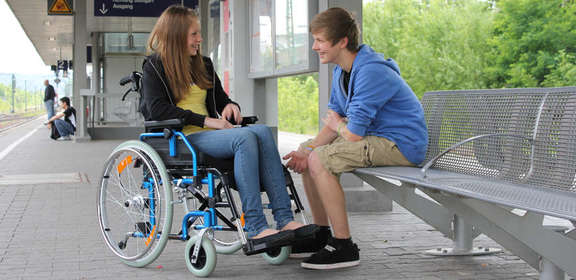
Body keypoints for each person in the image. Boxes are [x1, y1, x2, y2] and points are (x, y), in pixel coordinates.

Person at [141, 5, 314, 249]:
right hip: (182, 140)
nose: (200, 39)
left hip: (210, 135)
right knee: (243, 139)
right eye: (194, 34)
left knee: (262, 131)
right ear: (176, 35)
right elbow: (157, 109)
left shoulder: (204, 64)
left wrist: (231, 106)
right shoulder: (155, 67)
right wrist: (207, 121)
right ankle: (255, 226)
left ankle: (285, 219)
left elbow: (220, 99)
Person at [283, 7, 428, 270]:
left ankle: (344, 245)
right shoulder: (342, 70)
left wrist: (333, 131)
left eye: (320, 41)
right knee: (309, 153)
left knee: (321, 159)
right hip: (376, 137)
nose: (314, 47)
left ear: (342, 42)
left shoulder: (371, 71)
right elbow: (335, 123)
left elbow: (351, 132)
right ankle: (321, 233)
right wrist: (307, 148)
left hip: (401, 145)